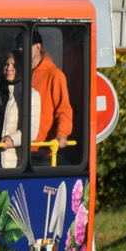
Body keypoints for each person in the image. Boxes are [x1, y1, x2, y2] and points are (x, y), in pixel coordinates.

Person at [30, 31, 73, 159]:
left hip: (43, 150)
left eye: (24, 45)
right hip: (19, 149)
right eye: (19, 46)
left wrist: (62, 134)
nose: (21, 49)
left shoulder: (54, 75)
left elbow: (63, 109)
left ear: (38, 46)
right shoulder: (20, 73)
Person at [0, 48, 41, 169]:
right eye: (7, 64)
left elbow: (31, 131)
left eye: (15, 65)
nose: (9, 68)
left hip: (12, 162)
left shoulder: (31, 95)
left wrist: (12, 140)